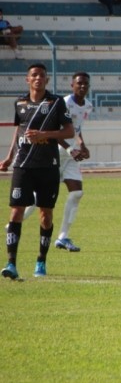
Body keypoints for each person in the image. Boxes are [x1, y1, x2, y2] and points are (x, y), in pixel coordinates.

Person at [0, 63, 74, 280]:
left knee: (45, 214)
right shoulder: (20, 103)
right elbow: (18, 130)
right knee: (15, 212)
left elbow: (68, 131)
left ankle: (41, 260)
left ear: (46, 80)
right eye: (34, 75)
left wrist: (45, 135)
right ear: (27, 79)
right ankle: (11, 263)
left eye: (42, 75)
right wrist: (9, 157)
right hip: (23, 166)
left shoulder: (55, 102)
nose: (38, 78)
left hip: (48, 166)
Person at [21, 72, 93, 252]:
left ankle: (63, 237)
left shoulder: (88, 106)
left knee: (77, 193)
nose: (82, 87)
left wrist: (82, 145)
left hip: (71, 155)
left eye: (85, 84)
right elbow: (54, 130)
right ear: (72, 85)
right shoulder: (63, 103)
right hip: (56, 153)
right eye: (79, 83)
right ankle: (15, 221)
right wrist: (70, 149)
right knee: (41, 195)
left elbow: (75, 129)